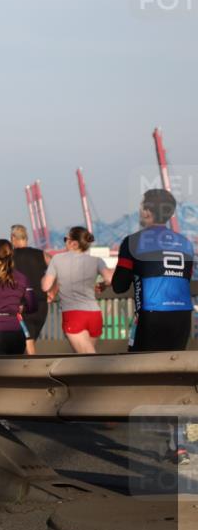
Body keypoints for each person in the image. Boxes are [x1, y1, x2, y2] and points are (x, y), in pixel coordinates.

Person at [112, 189, 195, 464]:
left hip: (151, 314)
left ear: (147, 211)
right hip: (183, 315)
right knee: (174, 377)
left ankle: (157, 436)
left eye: (141, 208)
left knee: (142, 375)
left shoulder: (133, 241)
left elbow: (119, 284)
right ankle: (179, 442)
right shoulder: (185, 242)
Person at [41, 227, 113, 354]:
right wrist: (103, 285)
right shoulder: (96, 260)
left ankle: (106, 373)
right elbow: (110, 279)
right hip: (94, 314)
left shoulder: (58, 259)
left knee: (88, 359)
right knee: (84, 359)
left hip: (74, 315)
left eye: (65, 239)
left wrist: (43, 279)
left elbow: (46, 286)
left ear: (73, 243)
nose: (64, 242)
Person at [10, 224, 50, 354]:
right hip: (41, 305)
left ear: (13, 238)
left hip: (22, 305)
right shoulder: (42, 254)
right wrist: (53, 291)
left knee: (28, 341)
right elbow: (57, 269)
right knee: (29, 339)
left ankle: (32, 370)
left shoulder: (10, 258)